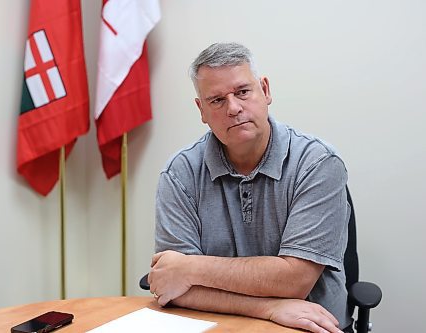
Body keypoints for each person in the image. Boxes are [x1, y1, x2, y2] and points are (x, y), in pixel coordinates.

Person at [148, 42, 352, 333]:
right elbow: (172, 287)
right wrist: (268, 308)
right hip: (216, 327)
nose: (233, 108)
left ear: (265, 90)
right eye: (217, 100)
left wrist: (190, 269)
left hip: (308, 327)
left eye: (243, 92)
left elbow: (295, 280)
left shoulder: (317, 163)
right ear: (201, 109)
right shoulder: (179, 173)